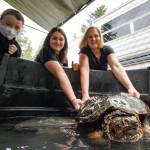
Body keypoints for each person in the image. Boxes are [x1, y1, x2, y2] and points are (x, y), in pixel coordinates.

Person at [79, 26, 140, 102]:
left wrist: (130, 87)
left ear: (100, 37)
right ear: (86, 39)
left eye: (96, 36)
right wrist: (85, 94)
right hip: (90, 86)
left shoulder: (107, 49)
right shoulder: (84, 50)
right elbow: (84, 70)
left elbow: (116, 66)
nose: (93, 39)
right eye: (90, 37)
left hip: (104, 86)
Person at [35, 27, 83, 111]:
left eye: (61, 39)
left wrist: (74, 68)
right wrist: (74, 100)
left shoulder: (64, 59)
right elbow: (60, 73)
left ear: (65, 42)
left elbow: (65, 75)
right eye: (54, 38)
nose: (58, 42)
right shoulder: (45, 51)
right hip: (39, 96)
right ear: (48, 40)